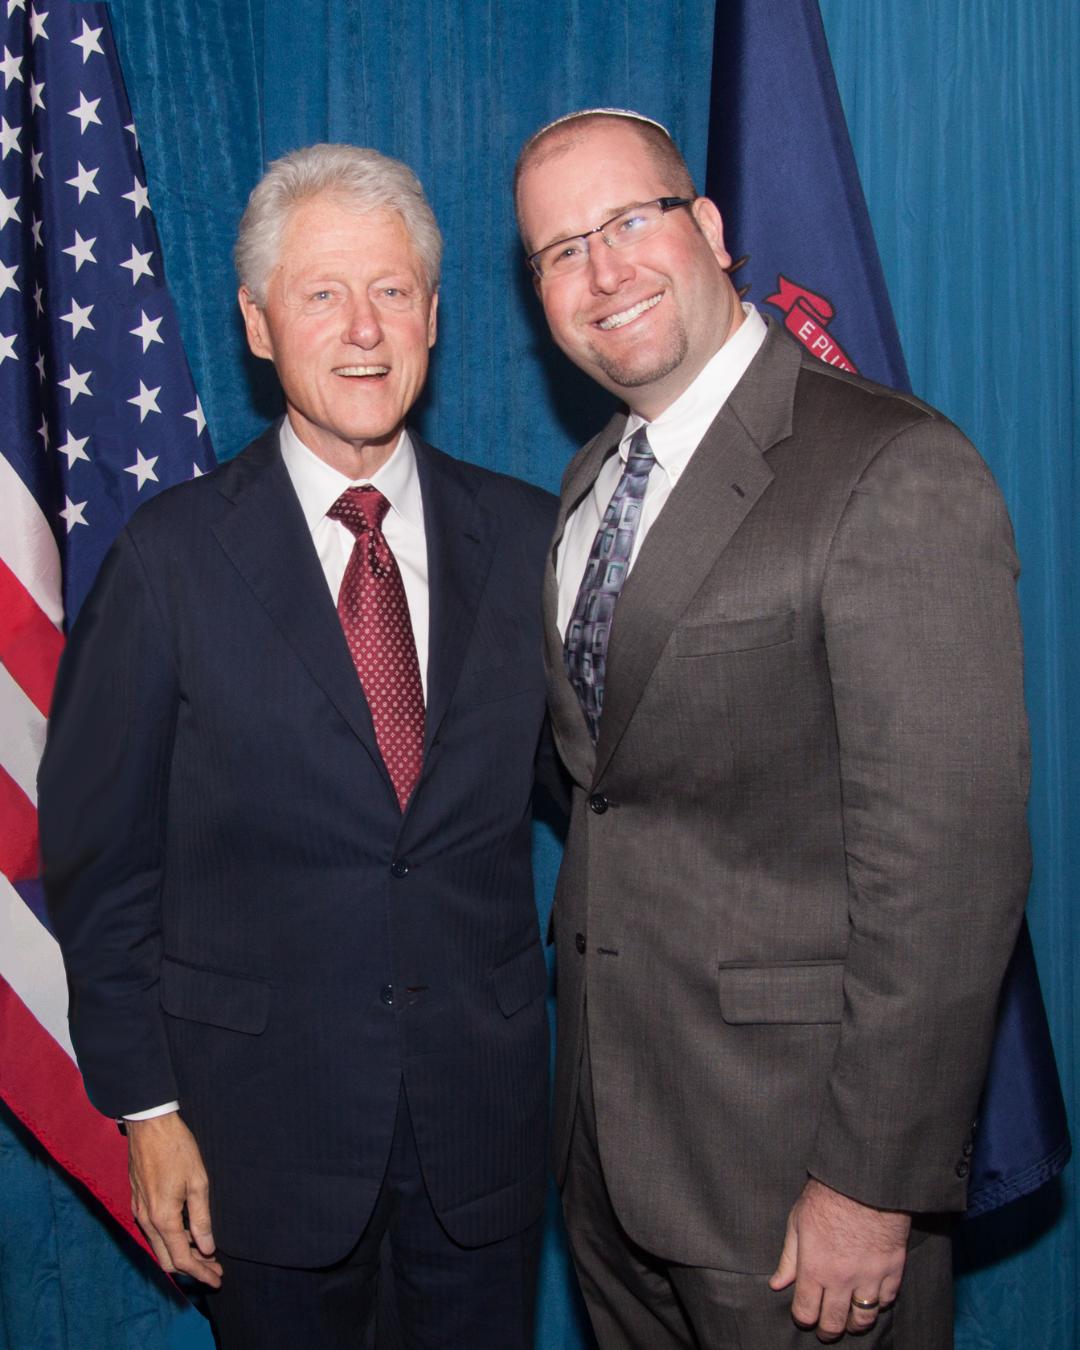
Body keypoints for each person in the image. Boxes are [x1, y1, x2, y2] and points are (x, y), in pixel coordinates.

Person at [513, 108, 1031, 1349]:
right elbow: (608, 790)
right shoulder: (589, 486)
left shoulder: (888, 467)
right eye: (560, 251)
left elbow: (951, 871)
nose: (605, 271)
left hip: (799, 1186)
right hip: (611, 1163)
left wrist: (870, 1183)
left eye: (630, 221)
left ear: (709, 228)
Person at [40, 143, 559, 1350]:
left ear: (434, 315)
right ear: (260, 326)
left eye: (391, 291)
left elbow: (612, 806)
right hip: (254, 1148)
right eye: (322, 293)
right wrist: (145, 1107)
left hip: (481, 1143)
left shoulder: (533, 538)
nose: (363, 328)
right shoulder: (166, 562)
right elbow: (99, 866)